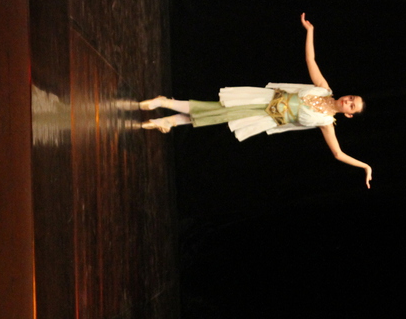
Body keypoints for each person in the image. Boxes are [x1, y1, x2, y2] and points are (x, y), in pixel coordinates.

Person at [140, 13, 373, 188]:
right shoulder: (323, 89)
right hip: (263, 99)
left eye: (352, 106)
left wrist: (365, 166)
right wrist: (310, 31)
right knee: (219, 110)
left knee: (218, 115)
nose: (348, 101)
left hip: (265, 117)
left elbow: (338, 154)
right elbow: (311, 59)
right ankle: (166, 109)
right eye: (351, 98)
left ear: (348, 114)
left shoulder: (326, 123)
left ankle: (168, 115)